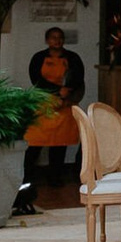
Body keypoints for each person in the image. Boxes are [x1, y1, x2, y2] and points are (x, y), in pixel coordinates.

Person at [23, 27, 84, 186]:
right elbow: (36, 79)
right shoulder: (38, 58)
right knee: (35, 141)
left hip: (64, 105)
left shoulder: (73, 57)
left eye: (60, 37)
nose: (57, 41)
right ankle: (26, 177)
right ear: (47, 40)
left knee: (60, 143)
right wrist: (57, 90)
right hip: (43, 104)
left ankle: (55, 177)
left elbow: (78, 78)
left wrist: (67, 92)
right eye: (53, 37)